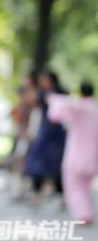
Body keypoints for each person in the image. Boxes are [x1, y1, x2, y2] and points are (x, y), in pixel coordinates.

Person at [47, 81, 98, 224]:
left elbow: (54, 115)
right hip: (93, 157)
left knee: (74, 187)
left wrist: (54, 98)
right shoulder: (95, 108)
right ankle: (88, 211)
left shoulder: (78, 108)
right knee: (85, 188)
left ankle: (84, 215)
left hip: (76, 156)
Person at [24, 70, 67, 209]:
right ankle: (37, 197)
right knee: (38, 165)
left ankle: (62, 197)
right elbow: (31, 104)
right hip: (44, 133)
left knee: (58, 167)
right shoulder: (41, 95)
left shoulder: (61, 93)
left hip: (58, 134)